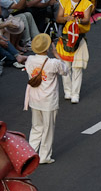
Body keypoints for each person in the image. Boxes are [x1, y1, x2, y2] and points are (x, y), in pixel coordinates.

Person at [24, 33, 68, 165]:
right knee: (48, 128)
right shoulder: (53, 63)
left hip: (34, 98)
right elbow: (65, 70)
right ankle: (44, 156)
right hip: (48, 100)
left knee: (36, 127)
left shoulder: (30, 60)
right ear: (47, 48)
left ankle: (30, 153)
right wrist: (56, 54)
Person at [55, 0, 92, 104]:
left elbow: (87, 19)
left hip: (79, 38)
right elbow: (59, 18)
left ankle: (75, 93)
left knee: (77, 67)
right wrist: (67, 18)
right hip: (66, 38)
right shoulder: (63, 2)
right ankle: (68, 91)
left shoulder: (86, 3)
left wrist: (79, 20)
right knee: (66, 67)